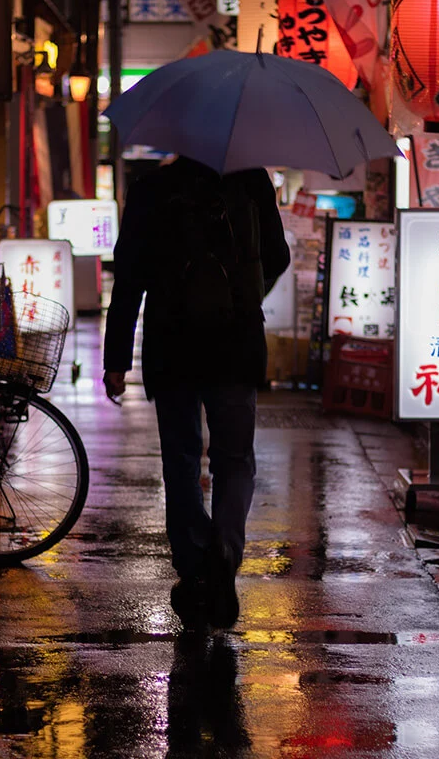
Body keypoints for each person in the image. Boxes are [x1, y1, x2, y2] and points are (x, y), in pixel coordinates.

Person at [103, 155, 290, 630]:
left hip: (173, 347)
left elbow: (128, 281)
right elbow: (278, 256)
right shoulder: (252, 180)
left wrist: (115, 361)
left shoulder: (151, 188)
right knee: (234, 459)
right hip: (237, 344)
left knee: (181, 461)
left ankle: (194, 563)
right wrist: (245, 296)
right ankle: (226, 547)